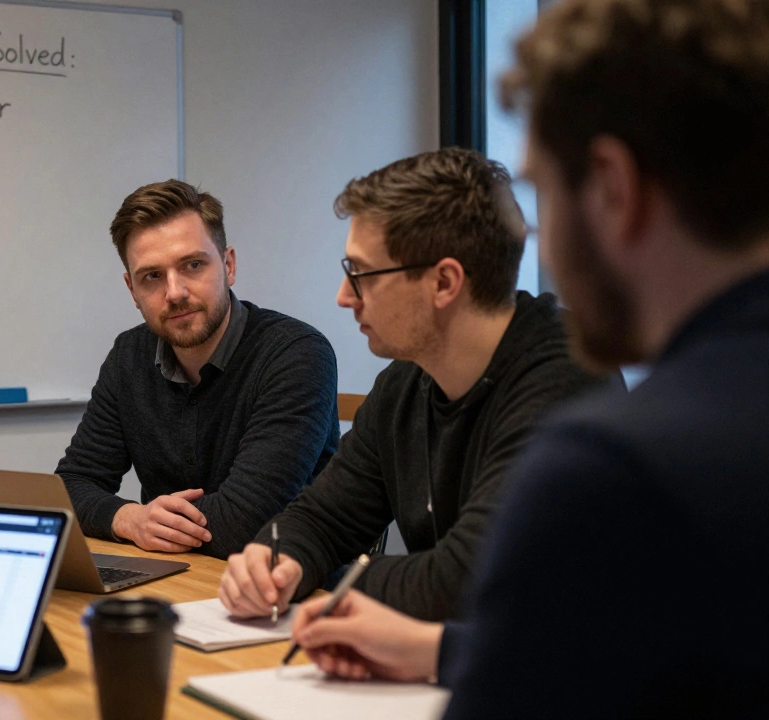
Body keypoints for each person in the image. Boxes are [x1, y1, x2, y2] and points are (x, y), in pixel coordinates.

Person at [285, 0, 769, 716]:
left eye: (543, 191)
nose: (529, 242)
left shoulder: (610, 460)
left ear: (613, 188)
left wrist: (344, 580)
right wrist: (438, 651)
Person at [220, 148, 617, 621]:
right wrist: (275, 565)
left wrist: (334, 582)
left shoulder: (569, 378)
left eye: (361, 274)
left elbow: (469, 579)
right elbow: (321, 520)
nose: (344, 297)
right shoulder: (406, 381)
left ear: (444, 283)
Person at [56, 179, 340, 559]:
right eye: (152, 276)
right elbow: (70, 487)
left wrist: (145, 524)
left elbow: (245, 524)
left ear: (228, 265)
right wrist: (129, 519)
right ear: (131, 290)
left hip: (287, 591)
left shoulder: (296, 354)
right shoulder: (129, 355)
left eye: (192, 265)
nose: (174, 293)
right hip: (175, 578)